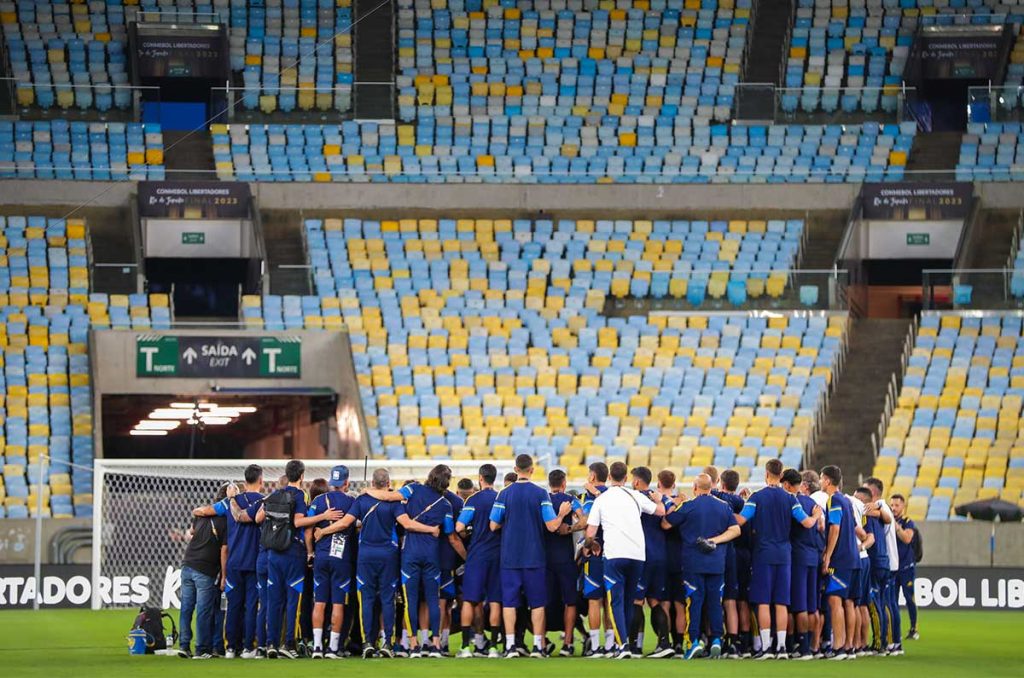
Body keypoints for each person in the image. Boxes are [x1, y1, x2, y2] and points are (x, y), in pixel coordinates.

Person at [315, 467, 440, 658]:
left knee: (367, 599)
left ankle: (367, 643)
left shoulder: (362, 500)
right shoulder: (395, 503)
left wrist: (323, 531)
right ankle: (387, 643)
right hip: (388, 555)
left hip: (365, 555)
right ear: (388, 484)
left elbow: (344, 523)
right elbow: (407, 524)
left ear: (372, 483)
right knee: (388, 599)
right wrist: (430, 529)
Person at [734, 459, 819, 659]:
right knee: (781, 602)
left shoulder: (757, 497)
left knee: (763, 601)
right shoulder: (790, 498)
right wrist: (815, 516)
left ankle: (766, 648)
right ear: (781, 476)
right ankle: (781, 648)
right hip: (785, 555)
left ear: (766, 474)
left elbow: (741, 520)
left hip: (763, 554)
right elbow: (806, 523)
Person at [489, 453, 571, 658]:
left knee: (509, 603)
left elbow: (493, 525)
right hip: (534, 556)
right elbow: (552, 526)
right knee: (537, 603)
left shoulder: (504, 494)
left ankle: (509, 646)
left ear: (516, 470)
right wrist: (561, 514)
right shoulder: (540, 493)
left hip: (509, 557)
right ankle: (537, 646)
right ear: (532, 470)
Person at [584, 461, 664, 659]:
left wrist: (589, 546)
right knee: (630, 601)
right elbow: (660, 511)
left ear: (610, 477)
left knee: (616, 601)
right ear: (627, 479)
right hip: (638, 555)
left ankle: (623, 646)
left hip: (614, 555)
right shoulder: (635, 495)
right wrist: (660, 499)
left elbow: (590, 532)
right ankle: (625, 642)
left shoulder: (602, 499)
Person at [257, 460, 336, 659]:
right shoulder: (300, 495)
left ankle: (271, 644)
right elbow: (298, 521)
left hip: (273, 553)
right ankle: (288, 644)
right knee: (293, 600)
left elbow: (259, 517)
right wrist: (323, 516)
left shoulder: (274, 494)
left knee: (274, 600)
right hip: (293, 552)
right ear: (301, 476)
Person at [663, 473, 741, 660]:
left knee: (694, 603)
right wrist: (715, 540)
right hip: (716, 563)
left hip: (693, 562)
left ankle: (694, 642)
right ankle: (716, 640)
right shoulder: (724, 507)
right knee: (715, 602)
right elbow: (736, 530)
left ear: (695, 487)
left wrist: (671, 504)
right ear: (711, 487)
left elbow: (666, 524)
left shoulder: (688, 506)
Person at [192, 464, 264, 659]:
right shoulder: (264, 502)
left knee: (233, 605)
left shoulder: (229, 502)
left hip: (233, 562)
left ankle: (231, 648)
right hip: (254, 561)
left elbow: (204, 511)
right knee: (251, 605)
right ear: (261, 480)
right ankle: (249, 647)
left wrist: (196, 513)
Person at [398, 464, 463, 656]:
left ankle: (413, 644)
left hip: (410, 553)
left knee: (411, 600)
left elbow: (395, 504)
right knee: (434, 601)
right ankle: (435, 645)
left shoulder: (414, 490)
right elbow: (451, 536)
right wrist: (468, 557)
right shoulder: (446, 505)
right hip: (432, 555)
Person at [306, 465, 356, 659]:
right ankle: (333, 648)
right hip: (341, 558)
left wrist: (310, 552)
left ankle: (317, 647)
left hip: (320, 557)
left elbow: (309, 530)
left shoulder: (318, 501)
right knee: (337, 604)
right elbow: (357, 524)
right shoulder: (352, 501)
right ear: (347, 482)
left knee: (319, 603)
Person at [820, 465, 867, 660]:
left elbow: (835, 529)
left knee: (835, 600)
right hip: (854, 558)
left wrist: (828, 554)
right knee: (850, 603)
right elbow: (859, 530)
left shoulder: (834, 500)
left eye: (822, 478)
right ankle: (850, 647)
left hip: (840, 559)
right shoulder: (847, 501)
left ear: (828, 481)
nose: (821, 482)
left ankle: (838, 646)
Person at [178, 483, 230, 660]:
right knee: (203, 610)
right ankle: (201, 649)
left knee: (186, 607)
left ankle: (184, 646)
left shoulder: (201, 514)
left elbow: (191, 532)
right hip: (205, 569)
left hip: (187, 563)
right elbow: (224, 550)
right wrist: (224, 575)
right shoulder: (225, 521)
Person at [456, 464, 502, 658]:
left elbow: (459, 527)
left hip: (477, 555)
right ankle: (492, 648)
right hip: (498, 555)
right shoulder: (501, 497)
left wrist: (469, 532)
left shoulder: (473, 499)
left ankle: (466, 647)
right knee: (495, 601)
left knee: (470, 600)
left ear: (480, 478)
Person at [630, 466, 673, 658]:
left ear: (637, 481)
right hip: (661, 555)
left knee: (637, 601)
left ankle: (633, 647)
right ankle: (664, 643)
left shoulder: (632, 498)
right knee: (655, 601)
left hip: (643, 555)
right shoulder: (661, 498)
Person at [781, 468, 822, 660]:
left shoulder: (790, 502)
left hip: (797, 558)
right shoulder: (812, 502)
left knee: (796, 605)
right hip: (813, 556)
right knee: (812, 605)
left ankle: (799, 645)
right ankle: (814, 645)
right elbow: (821, 526)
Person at [546, 469, 583, 657]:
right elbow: (585, 519)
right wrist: (569, 528)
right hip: (565, 559)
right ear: (564, 483)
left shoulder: (542, 500)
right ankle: (567, 644)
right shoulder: (570, 500)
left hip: (544, 560)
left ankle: (540, 642)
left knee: (541, 602)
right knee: (570, 601)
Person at [865, 476, 902, 654]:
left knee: (884, 603)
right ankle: (893, 642)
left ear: (872, 492)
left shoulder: (880, 505)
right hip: (888, 560)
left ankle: (886, 642)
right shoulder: (881, 507)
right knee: (888, 603)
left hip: (883, 559)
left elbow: (885, 517)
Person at [712, 468, 747, 658]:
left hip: (715, 552)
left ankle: (712, 637)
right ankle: (733, 641)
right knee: (731, 599)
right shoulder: (740, 502)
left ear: (721, 483)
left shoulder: (715, 496)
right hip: (733, 553)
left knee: (713, 597)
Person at [580, 461, 611, 656]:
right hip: (613, 552)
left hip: (594, 551)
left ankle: (594, 646)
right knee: (609, 600)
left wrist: (586, 545)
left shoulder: (588, 496)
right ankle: (610, 646)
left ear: (592, 476)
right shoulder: (614, 494)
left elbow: (587, 522)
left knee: (594, 600)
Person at [854, 486, 889, 656]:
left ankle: (878, 644)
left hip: (874, 562)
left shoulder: (867, 516)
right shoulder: (878, 515)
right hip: (883, 561)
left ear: (862, 501)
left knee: (872, 603)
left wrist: (860, 547)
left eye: (856, 498)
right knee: (881, 603)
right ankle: (885, 641)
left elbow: (871, 539)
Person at [890, 493, 918, 645]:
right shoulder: (887, 520)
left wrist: (896, 527)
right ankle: (895, 632)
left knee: (909, 598)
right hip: (893, 568)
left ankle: (913, 628)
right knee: (892, 601)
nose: (893, 508)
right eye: (892, 505)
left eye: (896, 505)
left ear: (903, 506)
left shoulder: (908, 522)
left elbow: (907, 538)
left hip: (906, 567)